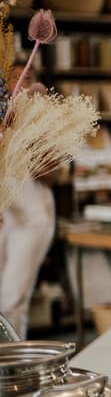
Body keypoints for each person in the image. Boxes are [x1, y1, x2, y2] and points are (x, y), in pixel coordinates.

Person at [0, 84, 57, 339]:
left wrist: (30, 125)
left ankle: (11, 370)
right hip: (5, 216)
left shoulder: (34, 116)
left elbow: (53, 174)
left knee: (11, 301)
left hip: (31, 218)